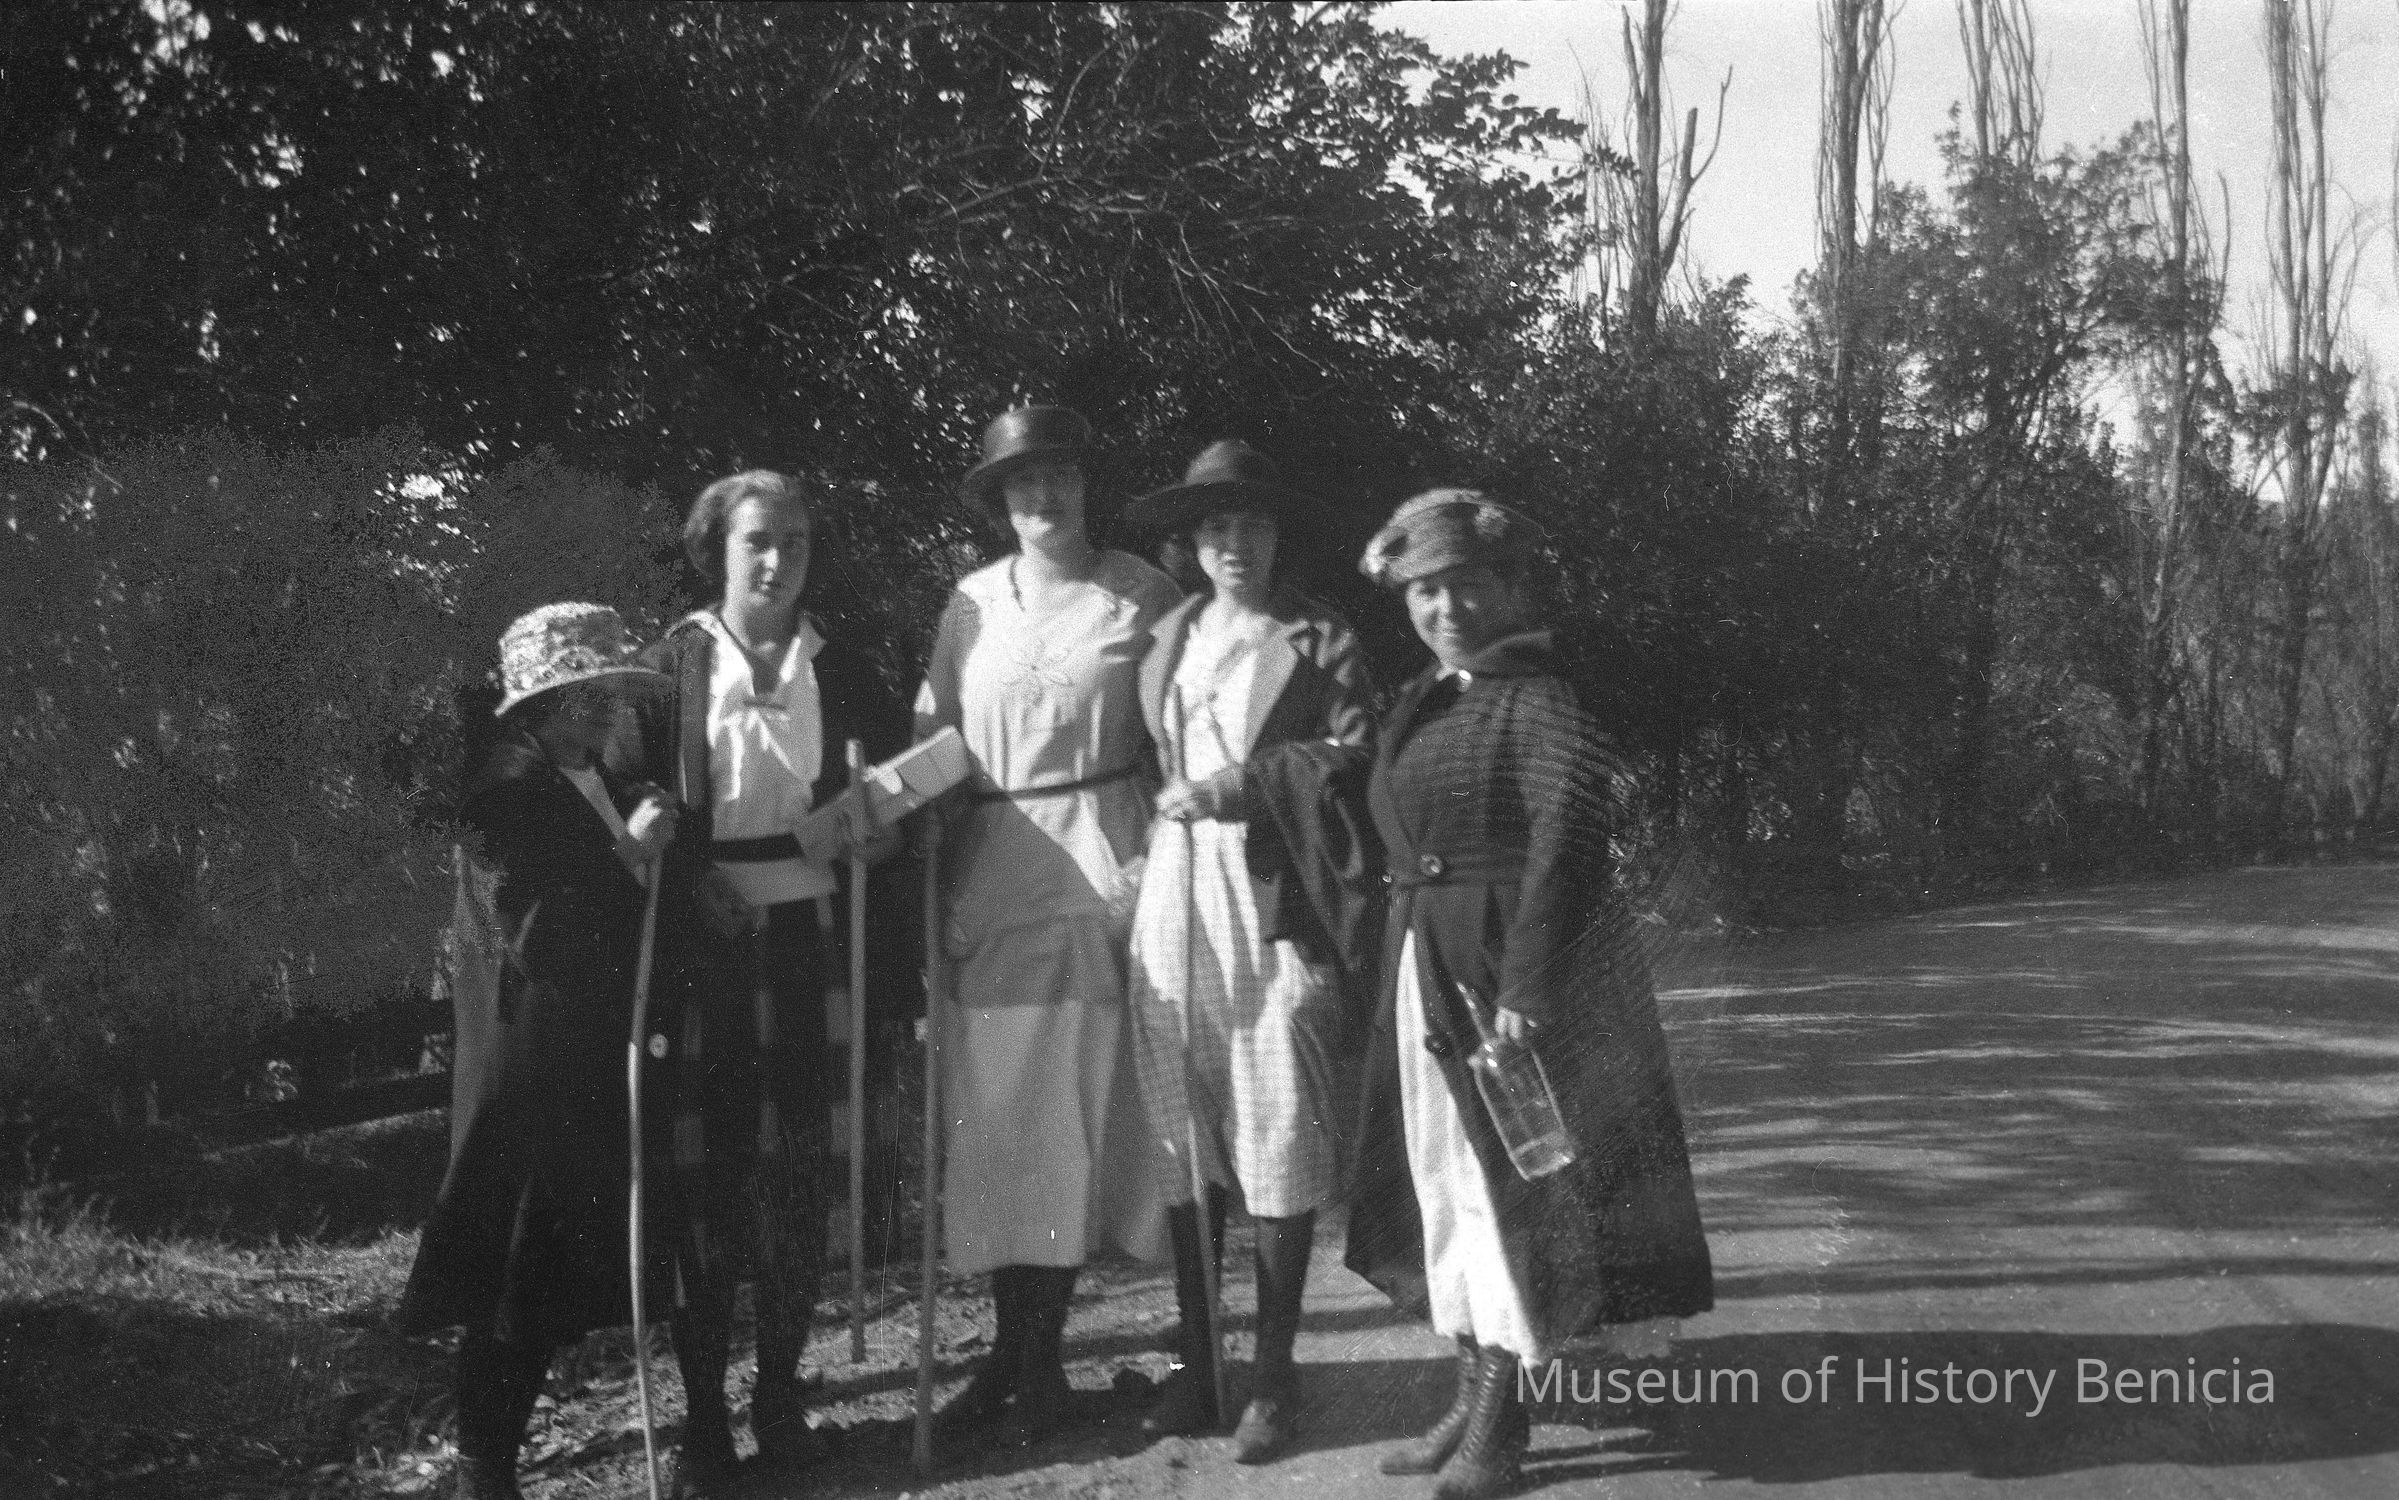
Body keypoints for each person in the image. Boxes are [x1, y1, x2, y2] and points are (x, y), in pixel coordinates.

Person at [1342, 490, 1715, 1500]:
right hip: (1430, 968)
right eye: (1424, 590)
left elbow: (1568, 839)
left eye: (1467, 584)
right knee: (1447, 1181)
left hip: (1504, 978)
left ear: (1509, 588)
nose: (1445, 607)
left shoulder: (1539, 696)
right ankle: (1469, 1394)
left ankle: (1501, 1427)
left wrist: (1529, 982)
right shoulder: (1431, 697)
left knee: (1512, 1192)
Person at [610, 470, 907, 1492]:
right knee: (712, 1183)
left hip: (812, 939)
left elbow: (889, 799)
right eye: (756, 542)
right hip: (707, 948)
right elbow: (627, 793)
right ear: (717, 551)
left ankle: (778, 1395)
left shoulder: (844, 667)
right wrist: (686, 871)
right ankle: (703, 1419)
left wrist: (878, 837)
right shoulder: (669, 669)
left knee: (801, 1174)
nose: (777, 561)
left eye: (794, 542)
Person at [915, 404, 1178, 1447]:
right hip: (991, 885)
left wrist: (1157, 853)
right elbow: (934, 737)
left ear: (1084, 483)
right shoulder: (969, 603)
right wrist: (891, 810)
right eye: (1020, 481)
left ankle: (1038, 1362)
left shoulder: (1139, 594)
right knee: (1002, 1126)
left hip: (1101, 880)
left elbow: (1186, 731)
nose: (1043, 495)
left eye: (1058, 473)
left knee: (1073, 1122)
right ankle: (1011, 1360)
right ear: (997, 500)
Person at [1120, 440, 1379, 1461]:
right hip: (1175, 887)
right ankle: (1201, 1364)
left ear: (1278, 536)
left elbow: (1357, 756)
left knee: (1275, 1115)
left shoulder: (1317, 637)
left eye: (1254, 525)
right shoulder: (1169, 634)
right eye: (1217, 526)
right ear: (1191, 542)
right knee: (1182, 1119)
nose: (1236, 543)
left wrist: (1239, 787)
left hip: (1272, 890)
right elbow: (1147, 757)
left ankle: (1272, 1374)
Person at [397, 603, 679, 1500]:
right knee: (512, 1276)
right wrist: (628, 858)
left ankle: (493, 1459)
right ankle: (483, 1468)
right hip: (527, 1076)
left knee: (547, 1269)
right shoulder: (502, 797)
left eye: (613, 692)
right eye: (592, 694)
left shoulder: (592, 778)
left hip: (580, 1065)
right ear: (544, 704)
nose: (612, 708)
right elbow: (538, 931)